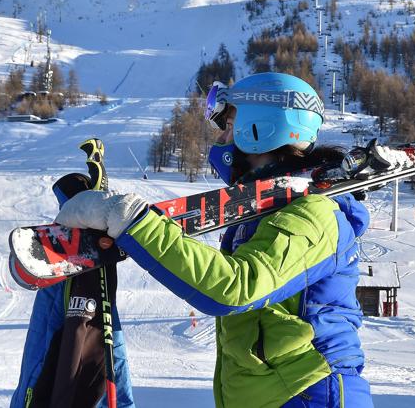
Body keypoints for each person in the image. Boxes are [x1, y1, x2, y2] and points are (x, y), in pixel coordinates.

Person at [55, 72, 374, 407]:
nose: (221, 138)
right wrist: (134, 231)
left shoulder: (315, 215)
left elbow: (235, 288)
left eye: (228, 124)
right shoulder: (267, 214)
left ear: (258, 127)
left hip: (308, 394)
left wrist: (132, 221)